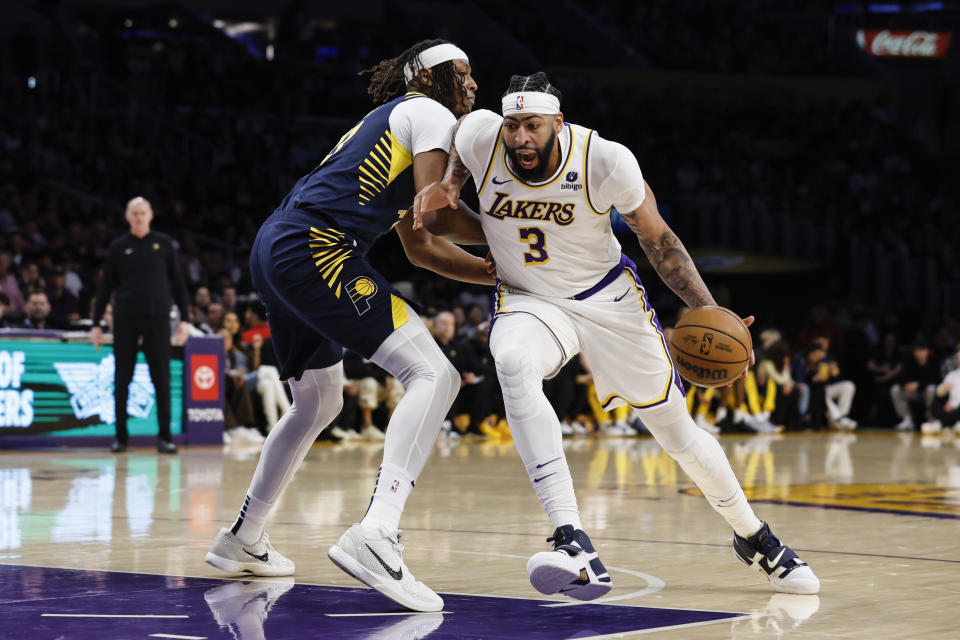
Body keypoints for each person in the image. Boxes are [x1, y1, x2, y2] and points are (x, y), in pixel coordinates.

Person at [413, 72, 819, 598]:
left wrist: (709, 309)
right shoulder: (479, 136)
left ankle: (754, 537)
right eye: (512, 126)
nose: (519, 138)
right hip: (531, 299)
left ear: (558, 123)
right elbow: (463, 142)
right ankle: (572, 540)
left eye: (532, 126)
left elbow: (660, 241)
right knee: (511, 359)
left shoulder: (605, 161)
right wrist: (451, 182)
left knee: (677, 434)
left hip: (608, 300)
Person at [203, 39, 491, 614]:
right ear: (429, 76)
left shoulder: (396, 120)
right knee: (436, 375)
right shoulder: (430, 113)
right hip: (317, 246)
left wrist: (497, 269)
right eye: (462, 72)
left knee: (318, 401)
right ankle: (377, 533)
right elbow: (436, 213)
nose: (473, 85)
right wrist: (527, 238)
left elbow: (421, 246)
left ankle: (243, 537)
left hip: (278, 245)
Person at [91, 196, 191, 454]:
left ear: (150, 215)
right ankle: (121, 438)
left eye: (142, 212)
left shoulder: (163, 244)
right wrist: (96, 323)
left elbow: (178, 285)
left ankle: (165, 437)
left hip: (157, 319)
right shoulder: (118, 247)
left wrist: (186, 320)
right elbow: (105, 288)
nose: (138, 216)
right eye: (134, 212)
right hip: (125, 320)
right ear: (127, 217)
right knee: (121, 379)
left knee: (162, 379)